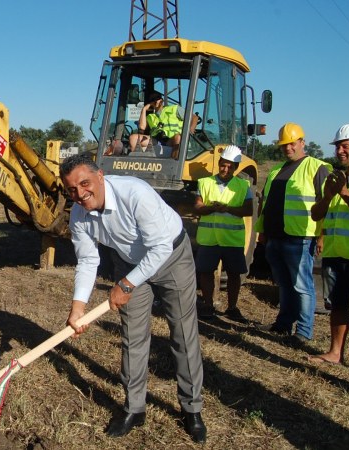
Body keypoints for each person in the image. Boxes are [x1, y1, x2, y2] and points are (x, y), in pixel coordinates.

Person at [60, 153, 206, 443]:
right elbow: (88, 261)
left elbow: (160, 248)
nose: (79, 194)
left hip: (171, 256)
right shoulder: (78, 214)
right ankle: (134, 407)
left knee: (182, 332)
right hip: (129, 262)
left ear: (100, 176)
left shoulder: (135, 193)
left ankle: (192, 409)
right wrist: (78, 308)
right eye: (71, 189)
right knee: (134, 335)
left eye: (85, 183)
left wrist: (125, 285)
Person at [255, 123, 331, 346]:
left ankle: (304, 332)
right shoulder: (277, 170)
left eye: (292, 144)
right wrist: (262, 231)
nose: (288, 148)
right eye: (284, 145)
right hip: (276, 237)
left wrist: (322, 236)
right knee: (285, 284)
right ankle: (283, 323)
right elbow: (266, 204)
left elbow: (326, 204)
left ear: (302, 143)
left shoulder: (317, 167)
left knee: (302, 286)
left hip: (300, 238)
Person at [307, 124, 349, 365]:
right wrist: (327, 196)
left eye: (345, 146)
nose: (340, 152)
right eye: (338, 148)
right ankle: (335, 353)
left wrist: (343, 192)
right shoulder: (337, 179)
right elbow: (316, 215)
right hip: (336, 255)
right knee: (338, 306)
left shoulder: (342, 184)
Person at [194, 145, 254, 321]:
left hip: (232, 240)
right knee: (205, 272)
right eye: (223, 165)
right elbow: (197, 206)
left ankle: (232, 307)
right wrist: (211, 207)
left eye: (230, 167)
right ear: (219, 163)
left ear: (236, 168)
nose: (225, 169)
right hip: (209, 239)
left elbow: (248, 210)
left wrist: (227, 208)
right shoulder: (205, 183)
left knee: (234, 274)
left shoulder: (243, 186)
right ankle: (207, 305)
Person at [128, 90, 198, 159]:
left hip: (172, 141)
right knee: (133, 138)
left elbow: (194, 117)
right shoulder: (150, 117)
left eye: (156, 99)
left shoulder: (174, 109)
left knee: (178, 137)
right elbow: (141, 128)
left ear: (161, 100)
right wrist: (144, 109)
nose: (154, 102)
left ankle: (173, 164)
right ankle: (137, 164)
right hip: (157, 141)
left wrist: (191, 129)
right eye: (152, 100)